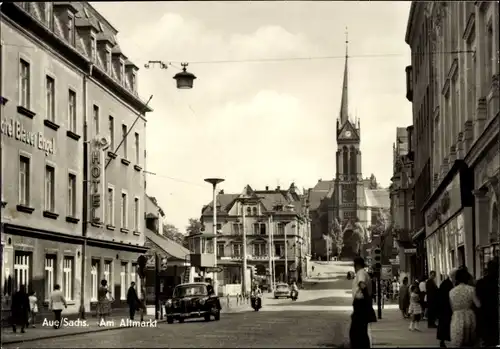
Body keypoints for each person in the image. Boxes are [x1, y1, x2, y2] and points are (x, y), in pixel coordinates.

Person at [349, 257, 376, 348]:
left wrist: (366, 302)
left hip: (361, 304)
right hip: (360, 305)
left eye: (354, 265)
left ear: (356, 265)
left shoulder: (361, 273)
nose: (354, 267)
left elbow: (362, 285)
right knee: (361, 332)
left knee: (355, 332)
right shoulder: (364, 273)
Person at [449, 267, 478, 347]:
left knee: (458, 342)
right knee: (469, 342)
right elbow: (478, 304)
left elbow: (453, 308)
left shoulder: (451, 292)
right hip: (469, 317)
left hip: (456, 317)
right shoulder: (471, 289)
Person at [475, 258, 499, 347]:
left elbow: (478, 299)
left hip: (485, 316)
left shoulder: (481, 283)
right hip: (495, 316)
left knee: (488, 341)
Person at [437, 269, 456, 347]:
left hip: (450, 307)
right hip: (445, 308)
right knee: (445, 324)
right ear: (453, 276)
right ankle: (443, 340)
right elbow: (441, 297)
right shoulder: (445, 284)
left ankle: (446, 339)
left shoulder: (452, 283)